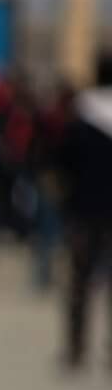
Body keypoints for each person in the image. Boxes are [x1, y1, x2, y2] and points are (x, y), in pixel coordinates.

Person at [60, 84, 112, 371]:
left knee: (80, 284)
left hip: (84, 214)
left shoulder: (81, 122)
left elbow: (63, 164)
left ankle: (76, 349)